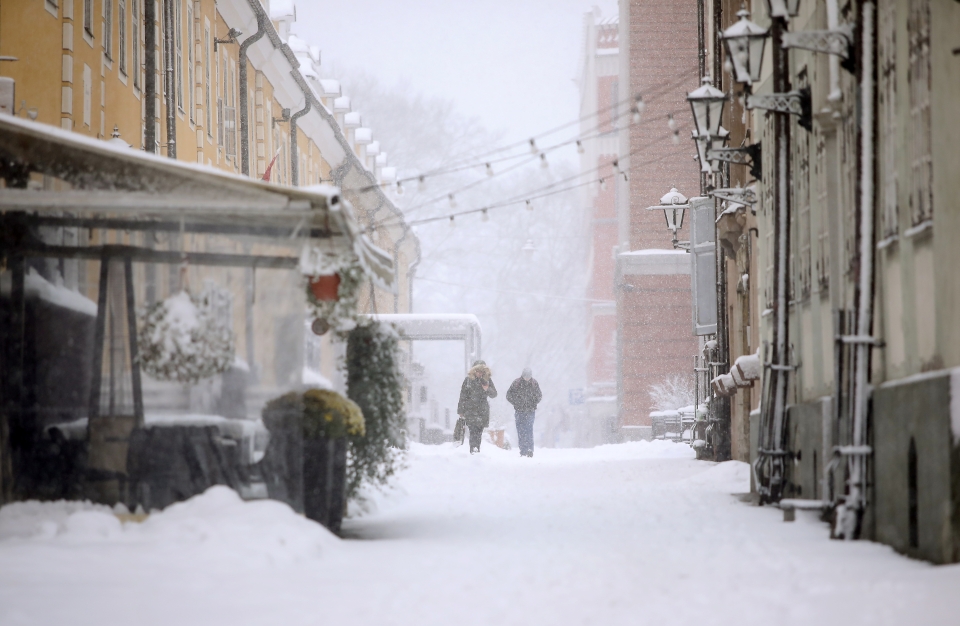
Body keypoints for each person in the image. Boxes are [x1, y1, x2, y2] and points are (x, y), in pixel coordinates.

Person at [457, 360, 497, 454]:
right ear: (474, 371)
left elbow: (494, 394)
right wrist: (461, 410)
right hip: (470, 410)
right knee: (473, 431)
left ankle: (476, 449)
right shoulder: (468, 381)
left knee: (479, 432)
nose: (480, 373)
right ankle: (473, 450)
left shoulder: (487, 381)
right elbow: (463, 396)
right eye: (478, 371)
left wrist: (487, 389)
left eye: (482, 371)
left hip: (482, 411)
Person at [506, 367, 542, 457]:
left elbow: (539, 396)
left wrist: (533, 403)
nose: (527, 378)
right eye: (525, 376)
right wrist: (516, 403)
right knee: (521, 430)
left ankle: (530, 449)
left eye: (528, 376)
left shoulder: (534, 383)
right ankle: (523, 450)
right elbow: (508, 395)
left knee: (528, 429)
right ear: (522, 375)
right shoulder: (516, 383)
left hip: (530, 411)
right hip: (519, 411)